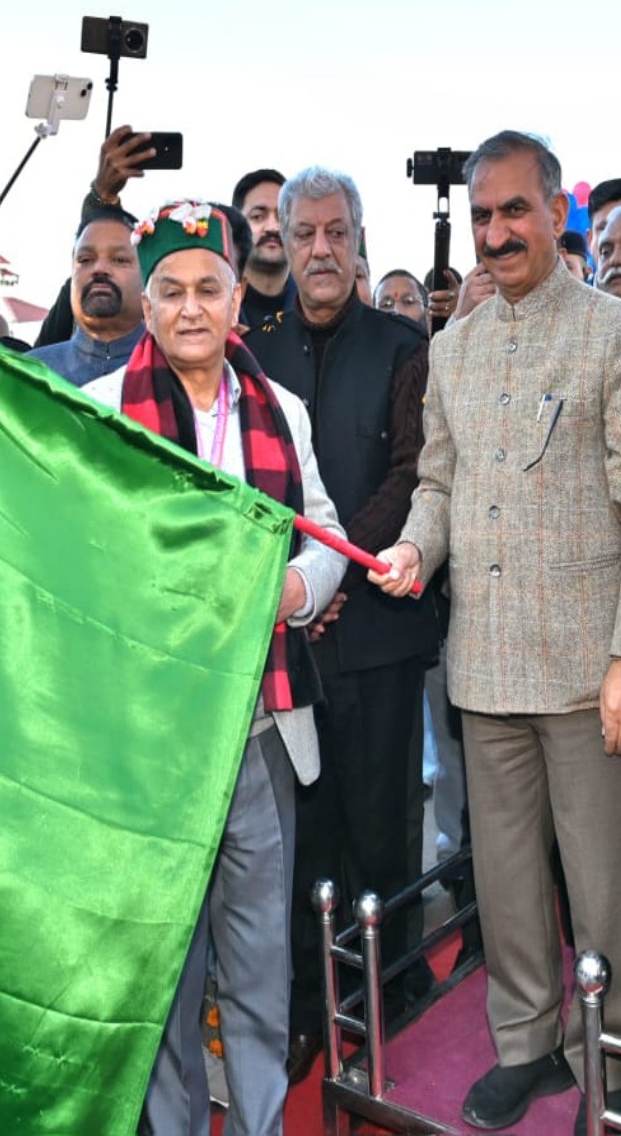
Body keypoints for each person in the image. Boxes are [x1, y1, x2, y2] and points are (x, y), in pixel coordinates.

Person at [371, 130, 621, 1132]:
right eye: (483, 217)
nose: (497, 233)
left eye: (515, 211)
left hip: (592, 672)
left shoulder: (617, 332)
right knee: (503, 884)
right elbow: (438, 483)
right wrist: (417, 550)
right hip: (484, 665)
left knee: (601, 890)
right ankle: (526, 1048)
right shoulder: (449, 348)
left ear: (557, 213)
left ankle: (620, 1066)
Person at [83, 199, 344, 1136]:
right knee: (166, 969)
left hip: (262, 730)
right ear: (145, 305)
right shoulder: (101, 415)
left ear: (238, 298)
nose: (192, 307)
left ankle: (264, 1125)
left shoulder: (287, 412)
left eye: (209, 287)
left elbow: (328, 534)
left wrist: (293, 594)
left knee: (260, 963)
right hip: (151, 741)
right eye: (171, 290)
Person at [244, 167, 439, 1077]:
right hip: (277, 650)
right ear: (280, 240)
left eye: (337, 232)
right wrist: (294, 591)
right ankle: (305, 1011)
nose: (321, 249)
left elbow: (410, 475)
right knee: (296, 839)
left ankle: (394, 999)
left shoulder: (404, 346)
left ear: (359, 240)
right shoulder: (254, 348)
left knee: (382, 828)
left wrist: (332, 578)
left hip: (378, 636)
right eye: (304, 233)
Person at [28, 206, 145, 386]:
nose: (99, 269)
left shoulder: (181, 372)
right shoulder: (28, 376)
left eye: (119, 259)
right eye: (85, 260)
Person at [233, 169, 296, 331]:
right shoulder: (219, 306)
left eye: (282, 217)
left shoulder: (315, 306)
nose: (272, 228)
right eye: (258, 217)